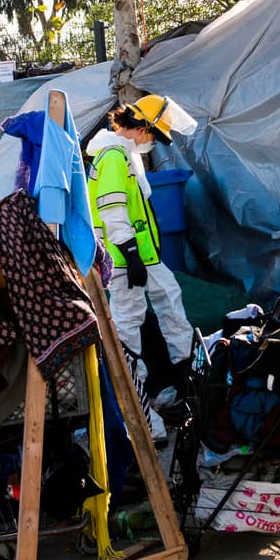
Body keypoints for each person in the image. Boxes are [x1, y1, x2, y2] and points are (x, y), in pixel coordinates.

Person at [87, 94, 198, 443]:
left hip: (141, 258)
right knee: (128, 331)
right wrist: (131, 254)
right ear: (141, 128)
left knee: (171, 304)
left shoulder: (123, 155)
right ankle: (142, 419)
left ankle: (185, 388)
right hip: (124, 261)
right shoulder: (113, 156)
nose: (154, 143)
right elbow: (112, 210)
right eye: (154, 135)